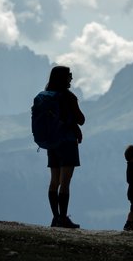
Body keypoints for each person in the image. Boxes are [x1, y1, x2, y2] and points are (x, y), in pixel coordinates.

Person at [45, 66, 85, 229]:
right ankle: (63, 218)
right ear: (63, 78)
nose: (71, 78)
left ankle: (55, 217)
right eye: (69, 76)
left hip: (52, 142)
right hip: (67, 142)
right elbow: (81, 119)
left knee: (54, 181)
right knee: (65, 182)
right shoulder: (69, 97)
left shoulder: (47, 96)